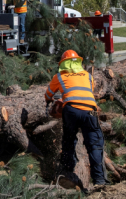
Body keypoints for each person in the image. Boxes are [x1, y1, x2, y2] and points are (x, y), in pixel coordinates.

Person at [45, 50, 106, 188]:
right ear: (78, 62)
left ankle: (67, 169)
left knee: (69, 139)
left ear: (63, 64)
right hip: (90, 111)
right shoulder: (88, 75)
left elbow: (48, 94)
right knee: (94, 144)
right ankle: (99, 180)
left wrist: (51, 101)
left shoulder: (59, 76)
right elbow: (85, 92)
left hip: (71, 110)